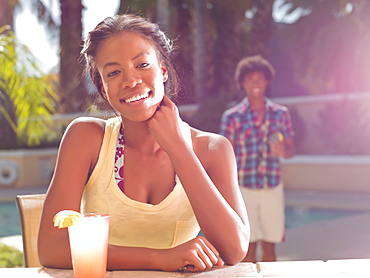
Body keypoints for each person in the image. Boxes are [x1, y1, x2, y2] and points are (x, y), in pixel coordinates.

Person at [37, 14, 250, 272]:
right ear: (104, 89)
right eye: (114, 72)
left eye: (142, 64)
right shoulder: (87, 139)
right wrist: (160, 258)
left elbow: (234, 249)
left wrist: (178, 148)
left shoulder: (212, 149)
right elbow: (51, 247)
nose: (130, 81)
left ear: (162, 71)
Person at [219, 55, 296, 263]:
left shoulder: (281, 114)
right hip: (244, 189)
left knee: (270, 246)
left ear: (267, 81)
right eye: (250, 79)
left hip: (272, 186)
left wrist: (284, 150)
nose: (255, 83)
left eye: (259, 78)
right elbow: (224, 158)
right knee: (247, 247)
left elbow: (291, 151)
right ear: (242, 83)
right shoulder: (232, 117)